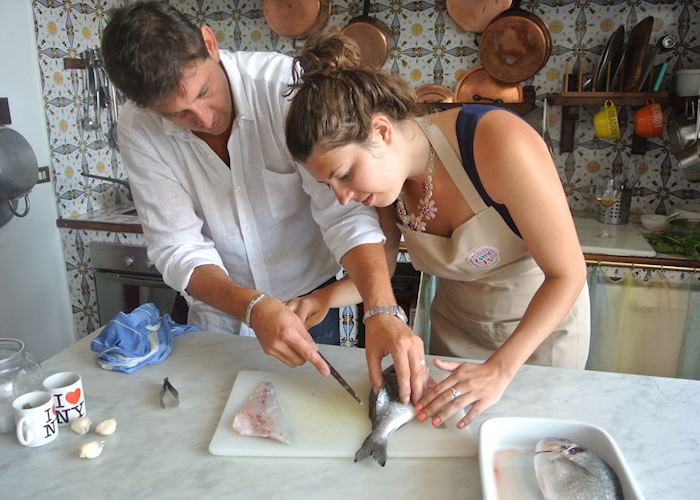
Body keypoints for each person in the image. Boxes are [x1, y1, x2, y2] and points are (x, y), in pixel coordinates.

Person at [100, 2, 422, 380]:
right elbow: (177, 247)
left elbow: (343, 213)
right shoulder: (139, 129)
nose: (204, 119)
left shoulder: (284, 88)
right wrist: (252, 307)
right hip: (217, 317)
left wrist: (380, 309)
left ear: (209, 42)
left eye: (204, 91)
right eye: (177, 114)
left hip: (309, 309)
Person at [284, 32, 591, 428]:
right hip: (455, 336)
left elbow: (568, 274)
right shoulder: (383, 190)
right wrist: (322, 300)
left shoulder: (497, 142)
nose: (342, 196)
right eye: (330, 185)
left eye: (343, 175)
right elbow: (382, 273)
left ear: (381, 131)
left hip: (537, 338)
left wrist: (500, 369)